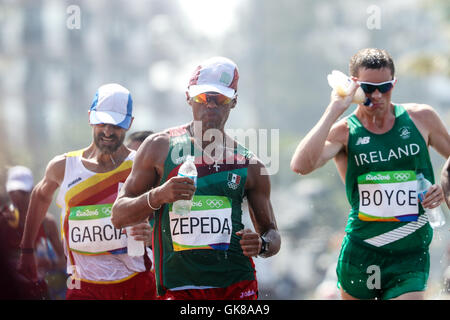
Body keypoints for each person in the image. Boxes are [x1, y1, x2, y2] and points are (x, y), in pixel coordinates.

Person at [112, 56, 281, 300]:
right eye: (203, 97)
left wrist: (262, 245)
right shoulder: (158, 147)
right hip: (180, 288)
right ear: (188, 97)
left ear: (233, 102)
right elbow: (118, 215)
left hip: (236, 286)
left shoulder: (250, 164)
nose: (210, 105)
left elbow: (272, 234)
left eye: (220, 99)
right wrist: (159, 195)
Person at [290, 48, 450, 300]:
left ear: (393, 84)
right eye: (367, 88)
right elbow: (301, 165)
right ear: (354, 86)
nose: (376, 95)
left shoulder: (422, 118)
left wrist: (443, 187)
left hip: (409, 253)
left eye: (384, 87)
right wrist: (335, 108)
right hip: (362, 251)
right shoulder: (344, 132)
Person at [19, 83, 156, 300]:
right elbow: (40, 196)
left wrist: (154, 235)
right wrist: (27, 251)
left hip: (135, 284)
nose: (108, 132)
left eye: (116, 125)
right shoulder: (63, 166)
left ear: (129, 123)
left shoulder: (142, 166)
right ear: (90, 117)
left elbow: (173, 211)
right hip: (83, 286)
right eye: (102, 123)